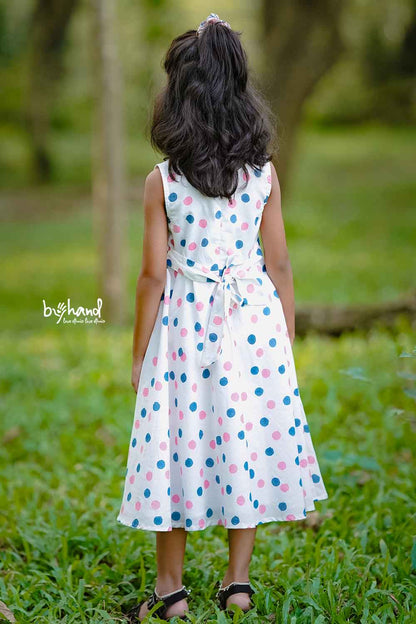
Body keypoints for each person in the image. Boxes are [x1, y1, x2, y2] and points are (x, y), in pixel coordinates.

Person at [116, 12, 328, 622]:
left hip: (183, 326)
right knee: (244, 444)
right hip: (252, 325)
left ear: (177, 95)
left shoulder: (164, 181)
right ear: (241, 89)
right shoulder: (262, 174)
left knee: (173, 445)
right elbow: (280, 264)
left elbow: (153, 276)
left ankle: (171, 591)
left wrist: (139, 352)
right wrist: (282, 340)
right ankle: (238, 585)